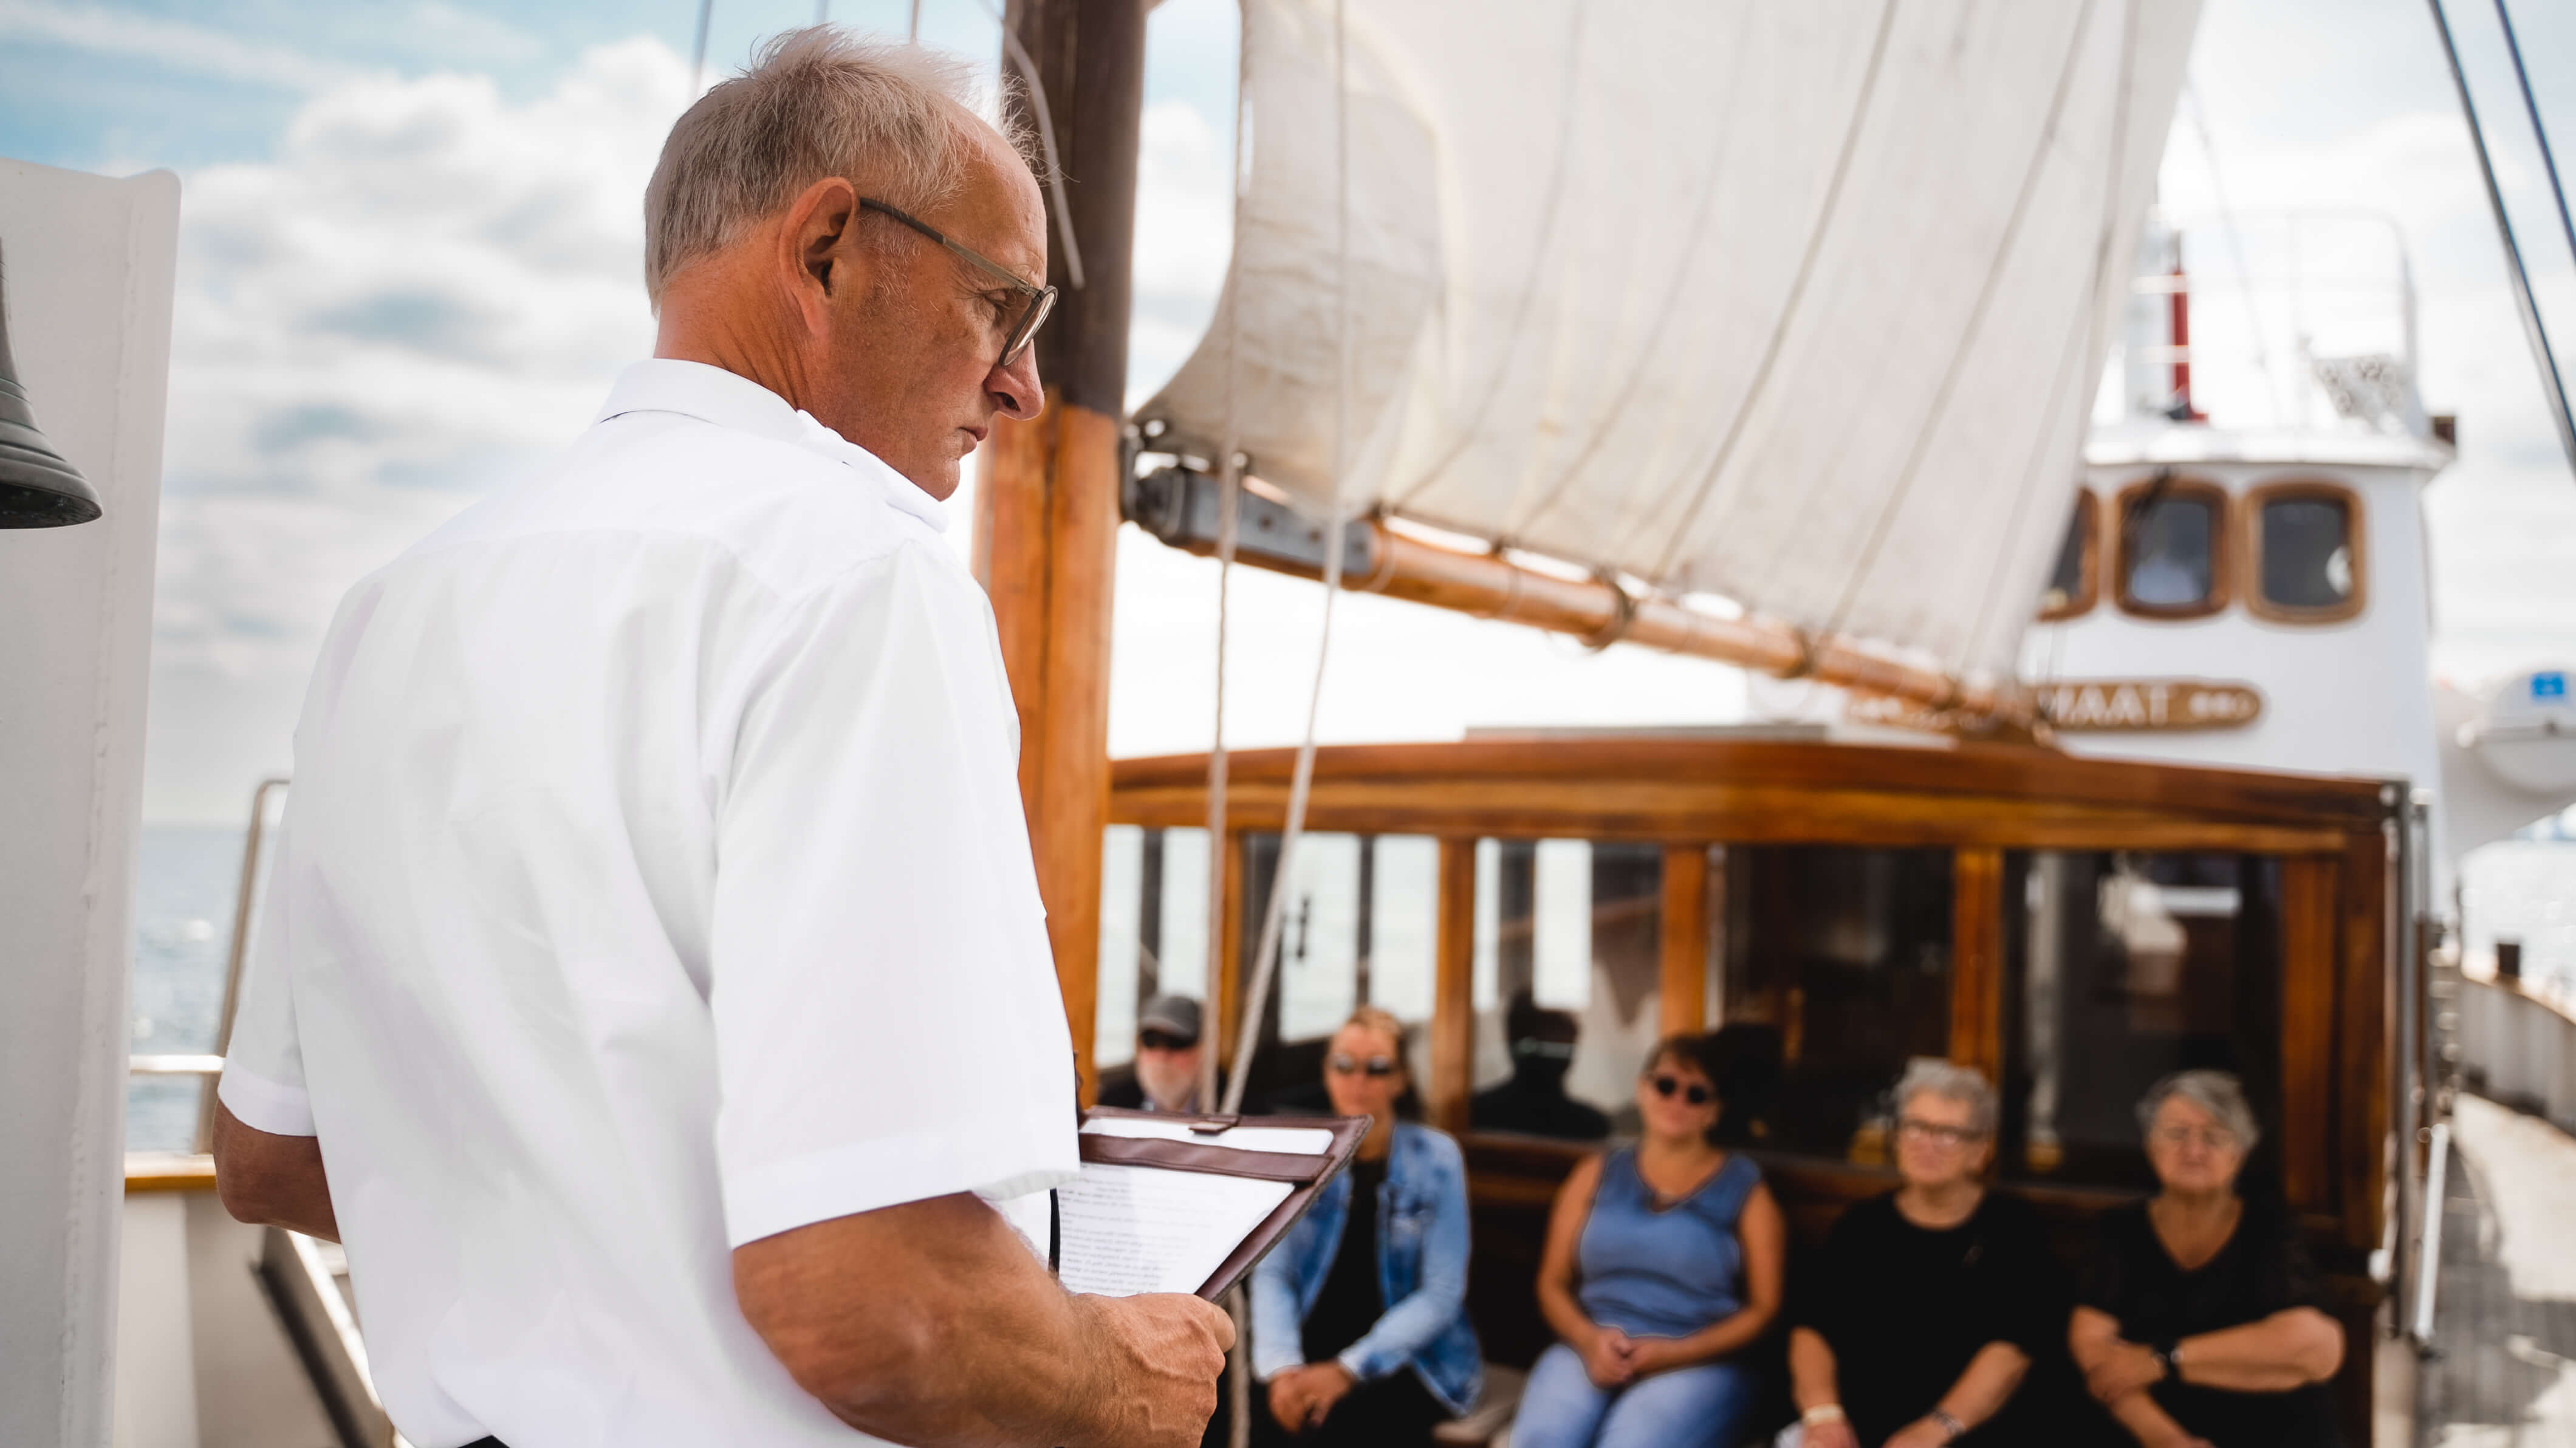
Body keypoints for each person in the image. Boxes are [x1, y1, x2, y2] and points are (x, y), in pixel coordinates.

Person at [205, 32, 1231, 1448]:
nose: (1019, 385)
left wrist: (599, 1225)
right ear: (826, 250)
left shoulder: (394, 606)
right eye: (1000, 304)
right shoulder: (855, 579)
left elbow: (271, 1153)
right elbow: (864, 1301)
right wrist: (1117, 1377)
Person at [1513, 1036, 1784, 1448]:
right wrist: (1588, 1341)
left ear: (1714, 1110)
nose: (1677, 1101)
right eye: (1665, 1086)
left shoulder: (1745, 1188)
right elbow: (1551, 1281)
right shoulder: (1595, 1172)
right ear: (1643, 1089)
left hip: (1699, 1360)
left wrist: (1675, 1353)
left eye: (1696, 1094)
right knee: (1542, 1439)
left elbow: (1764, 1309)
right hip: (1592, 1343)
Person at [1790, 1061, 2066, 1447]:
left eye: (1949, 1134)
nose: (1927, 1144)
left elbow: (2013, 1348)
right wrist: (1824, 1415)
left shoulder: (2012, 1227)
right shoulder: (1863, 1224)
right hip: (1851, 1430)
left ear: (1980, 1151)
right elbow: (1812, 1328)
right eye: (1916, 1127)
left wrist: (1937, 1429)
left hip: (1965, 1432)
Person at [2070, 1071, 2345, 1448]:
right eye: (2177, 1134)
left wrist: (2160, 1360)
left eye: (2213, 1137)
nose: (2194, 1151)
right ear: (2151, 1146)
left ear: (2239, 1154)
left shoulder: (2269, 1224)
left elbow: (2318, 1351)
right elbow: (2096, 1356)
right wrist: (2171, 1440)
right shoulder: (2119, 1229)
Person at [1251, 1006, 1481, 1446]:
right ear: (1327, 1072)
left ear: (1400, 1079)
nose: (1358, 1080)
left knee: (1340, 1426)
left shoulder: (1438, 1160)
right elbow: (1273, 1272)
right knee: (1252, 1413)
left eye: (1377, 1068)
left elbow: (1442, 1293)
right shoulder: (1302, 1155)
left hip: (1411, 1358)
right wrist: (1282, 1369)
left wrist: (1348, 1369)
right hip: (1309, 1344)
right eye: (1344, 1065)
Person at [1471, 991, 1612, 1140]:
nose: (1560, 1049)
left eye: (1565, 1043)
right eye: (1553, 1039)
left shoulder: (1478, 1112)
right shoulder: (1589, 1125)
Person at [1098, 994, 1207, 1114]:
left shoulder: (1226, 1107)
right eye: (1150, 1040)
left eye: (1176, 1042)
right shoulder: (1112, 1104)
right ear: (1138, 1047)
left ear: (1202, 1050)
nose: (1161, 1055)